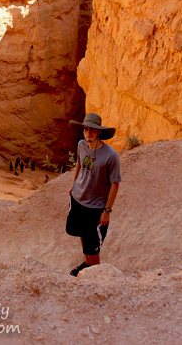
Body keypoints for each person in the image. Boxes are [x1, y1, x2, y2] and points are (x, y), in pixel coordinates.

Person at [66, 113, 121, 277]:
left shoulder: (111, 156)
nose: (88, 133)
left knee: (93, 244)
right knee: (82, 235)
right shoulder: (81, 145)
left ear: (98, 132)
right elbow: (79, 164)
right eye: (86, 129)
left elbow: (115, 184)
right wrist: (73, 184)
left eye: (92, 130)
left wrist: (107, 211)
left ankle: (95, 277)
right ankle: (87, 265)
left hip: (95, 207)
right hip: (78, 199)